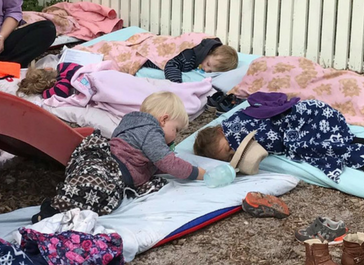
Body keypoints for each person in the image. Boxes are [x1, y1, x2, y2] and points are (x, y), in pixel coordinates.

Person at [32, 91, 206, 223]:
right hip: (109, 168)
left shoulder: (133, 125)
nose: (176, 137)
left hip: (103, 164)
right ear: (163, 119)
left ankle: (58, 210)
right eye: (176, 130)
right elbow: (168, 163)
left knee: (94, 195)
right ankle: (52, 212)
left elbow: (153, 160)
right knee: (92, 188)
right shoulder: (151, 131)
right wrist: (197, 173)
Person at [193, 92, 364, 182]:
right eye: (230, 153)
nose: (234, 147)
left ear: (220, 131)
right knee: (332, 143)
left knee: (341, 140)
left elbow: (266, 126)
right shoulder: (237, 134)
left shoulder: (234, 124)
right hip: (302, 124)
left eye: (227, 146)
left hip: (307, 116)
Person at [143, 38, 238, 83]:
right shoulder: (188, 57)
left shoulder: (199, 59)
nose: (205, 69)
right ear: (208, 52)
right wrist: (176, 83)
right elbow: (171, 64)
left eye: (210, 71)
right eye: (208, 64)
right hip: (148, 55)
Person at [16, 61, 81, 98]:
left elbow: (61, 92)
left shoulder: (62, 83)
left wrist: (44, 93)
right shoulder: (63, 65)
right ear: (48, 68)